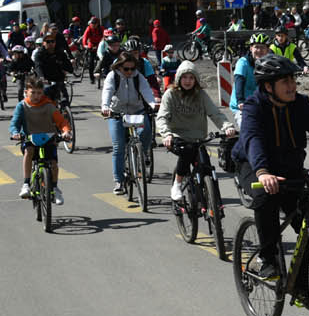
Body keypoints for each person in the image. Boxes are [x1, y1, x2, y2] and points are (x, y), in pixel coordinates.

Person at [234, 54, 309, 272]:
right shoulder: (254, 106)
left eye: (293, 80)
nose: (292, 86)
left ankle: (304, 286)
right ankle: (267, 259)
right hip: (254, 165)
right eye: (285, 81)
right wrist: (262, 171)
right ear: (268, 86)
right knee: (266, 197)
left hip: (290, 167)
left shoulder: (300, 104)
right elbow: (253, 139)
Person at [156, 59, 235, 204]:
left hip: (198, 139)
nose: (188, 81)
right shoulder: (170, 94)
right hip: (177, 138)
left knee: (206, 167)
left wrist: (227, 126)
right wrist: (167, 134)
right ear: (179, 78)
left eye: (191, 78)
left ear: (196, 80)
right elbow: (162, 117)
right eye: (184, 77)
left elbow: (215, 113)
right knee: (187, 150)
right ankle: (177, 184)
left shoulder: (201, 95)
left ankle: (214, 204)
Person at [101, 49, 158, 196]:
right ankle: (119, 181)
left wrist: (152, 104)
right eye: (126, 69)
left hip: (136, 111)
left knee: (146, 132)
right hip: (117, 113)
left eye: (132, 68)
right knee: (118, 147)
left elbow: (146, 91)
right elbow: (107, 91)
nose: (129, 71)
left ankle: (142, 153)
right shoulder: (112, 76)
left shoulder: (138, 77)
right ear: (119, 66)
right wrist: (105, 107)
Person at [11, 76, 70, 205]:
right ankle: (26, 184)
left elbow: (61, 121)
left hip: (48, 138)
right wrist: (15, 133)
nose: (36, 96)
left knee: (53, 163)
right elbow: (14, 123)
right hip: (29, 138)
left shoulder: (48, 106)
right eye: (33, 92)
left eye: (39, 93)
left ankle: (54, 188)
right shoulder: (22, 106)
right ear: (26, 92)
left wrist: (66, 131)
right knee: (29, 151)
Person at [230, 32, 271, 114]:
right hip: (242, 106)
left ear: (268, 50)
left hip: (258, 104)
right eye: (256, 47)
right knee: (249, 126)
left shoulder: (268, 64)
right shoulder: (243, 63)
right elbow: (239, 81)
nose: (259, 50)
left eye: (263, 47)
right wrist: (240, 101)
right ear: (251, 48)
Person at [31, 25, 72, 104]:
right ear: (43, 43)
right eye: (48, 42)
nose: (50, 44)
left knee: (65, 98)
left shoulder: (60, 52)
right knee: (46, 98)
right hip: (45, 79)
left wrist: (69, 68)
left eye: (52, 41)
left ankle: (65, 113)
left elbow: (67, 65)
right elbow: (38, 66)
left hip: (58, 78)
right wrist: (41, 77)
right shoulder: (39, 54)